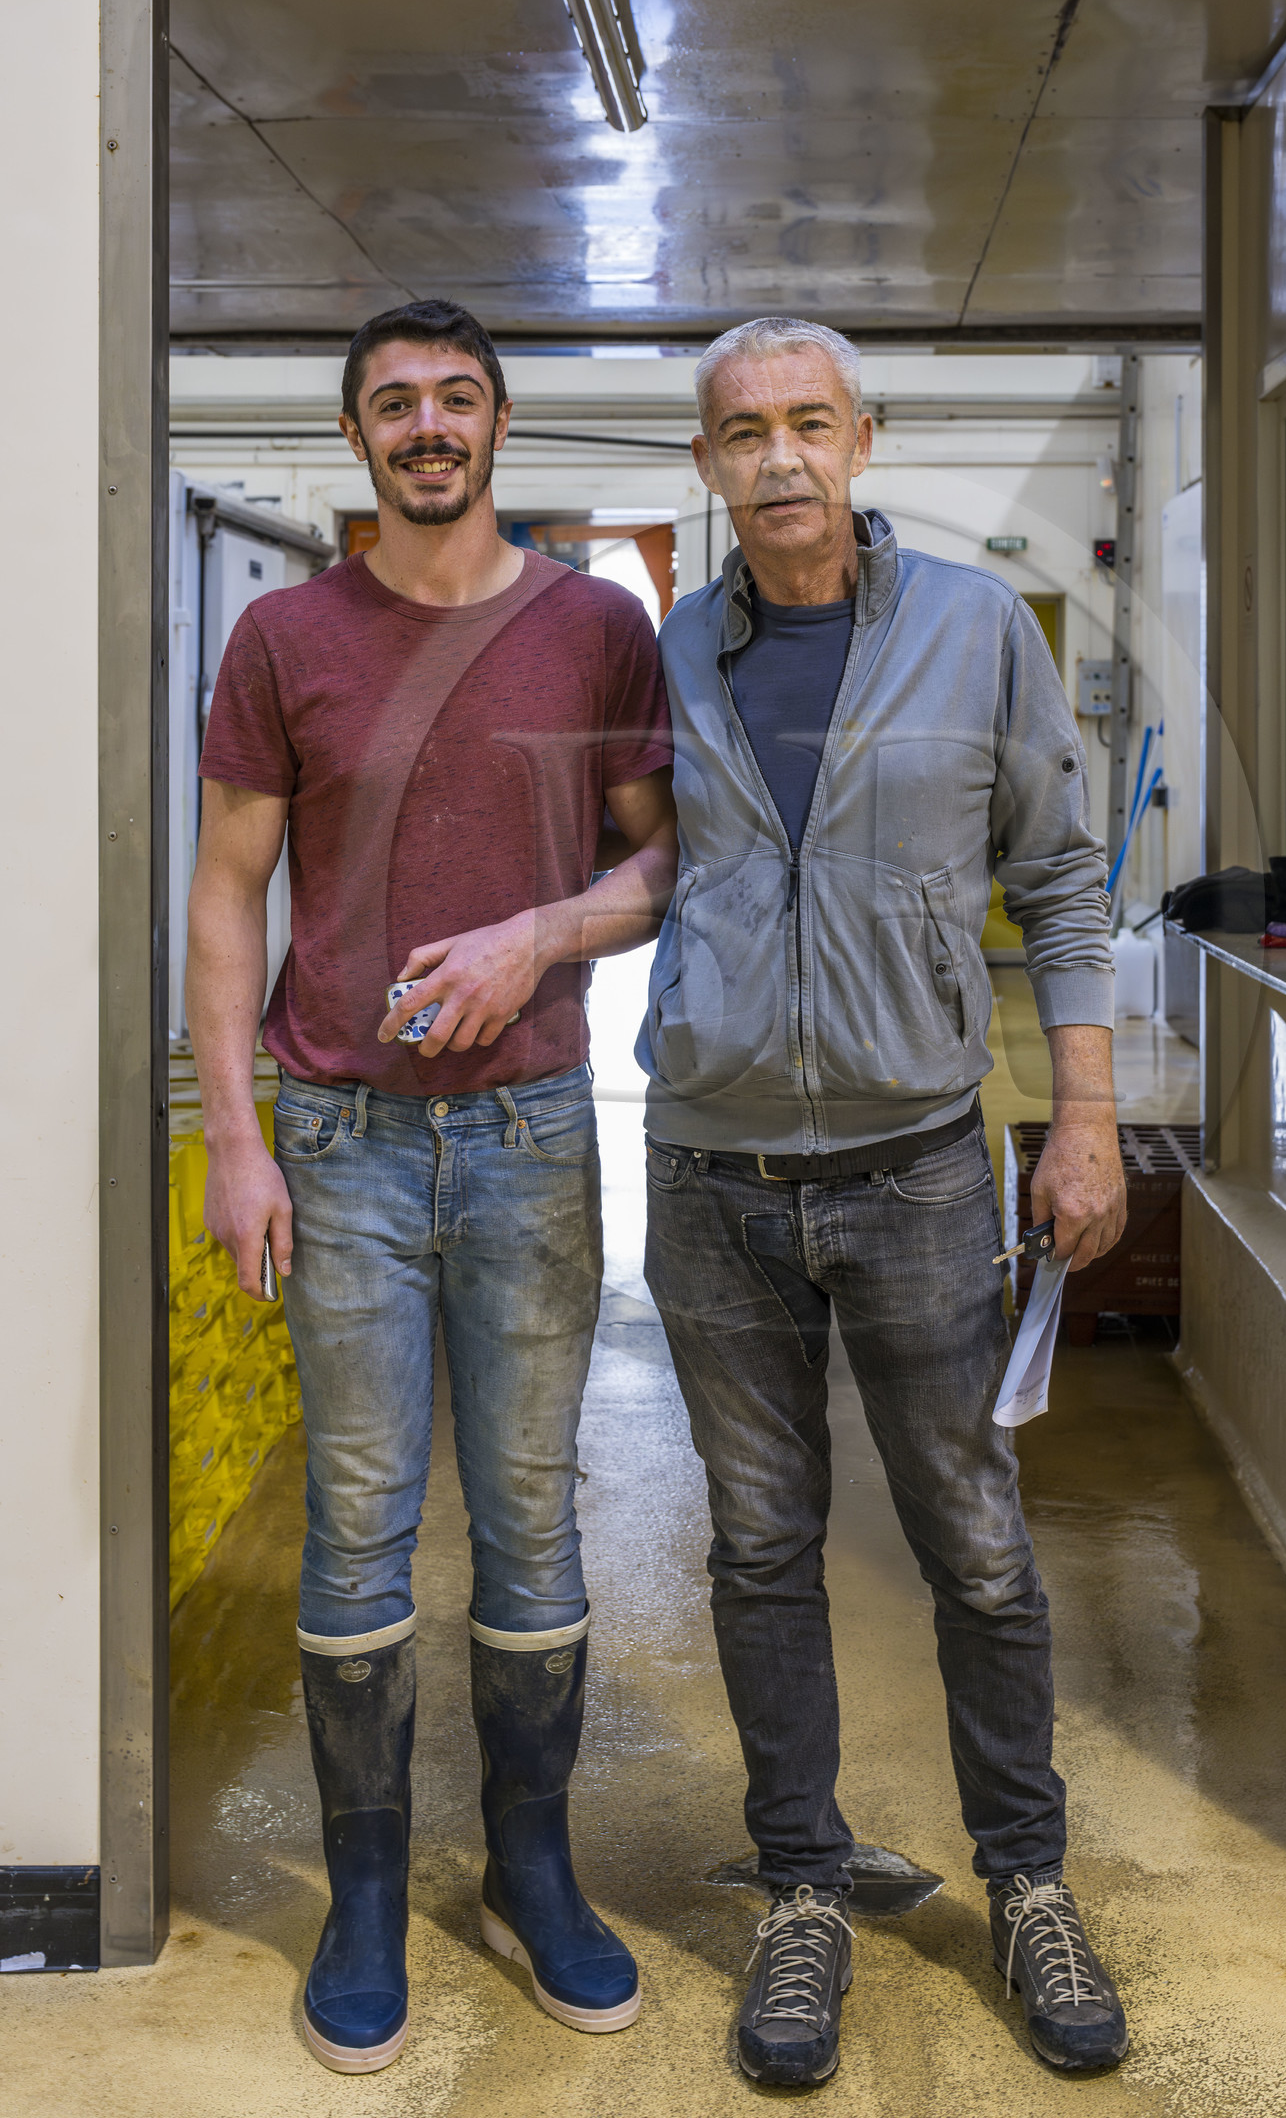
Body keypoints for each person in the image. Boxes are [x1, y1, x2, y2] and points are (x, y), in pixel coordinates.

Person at [637, 316, 1130, 2085]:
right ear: (706, 463)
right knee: (762, 1554)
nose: (777, 457)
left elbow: (1061, 878)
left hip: (924, 1164)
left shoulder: (978, 631)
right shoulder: (678, 649)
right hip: (708, 1172)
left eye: (808, 423)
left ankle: (1028, 1879)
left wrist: (1085, 1112)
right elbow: (650, 864)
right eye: (742, 430)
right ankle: (800, 1892)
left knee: (979, 1550)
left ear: (863, 440)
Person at [186, 299, 676, 2074]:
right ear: (357, 439)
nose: (426, 425)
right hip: (343, 1142)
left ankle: (529, 1875)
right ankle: (370, 1893)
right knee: (362, 1518)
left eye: (455, 397)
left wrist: (532, 938)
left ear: (498, 421)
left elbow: (660, 865)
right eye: (393, 402)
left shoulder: (598, 629)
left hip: (538, 1131)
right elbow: (229, 890)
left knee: (534, 1516)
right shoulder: (283, 638)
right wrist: (236, 1135)